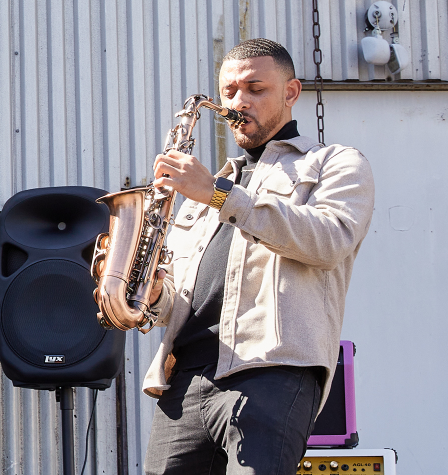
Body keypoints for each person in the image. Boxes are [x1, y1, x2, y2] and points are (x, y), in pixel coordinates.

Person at [142, 38, 375, 474]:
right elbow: (177, 297)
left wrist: (217, 194)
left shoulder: (336, 163)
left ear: (290, 93)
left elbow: (328, 242)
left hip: (274, 369)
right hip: (185, 379)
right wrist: (151, 293)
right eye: (229, 91)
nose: (237, 101)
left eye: (255, 88)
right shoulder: (203, 192)